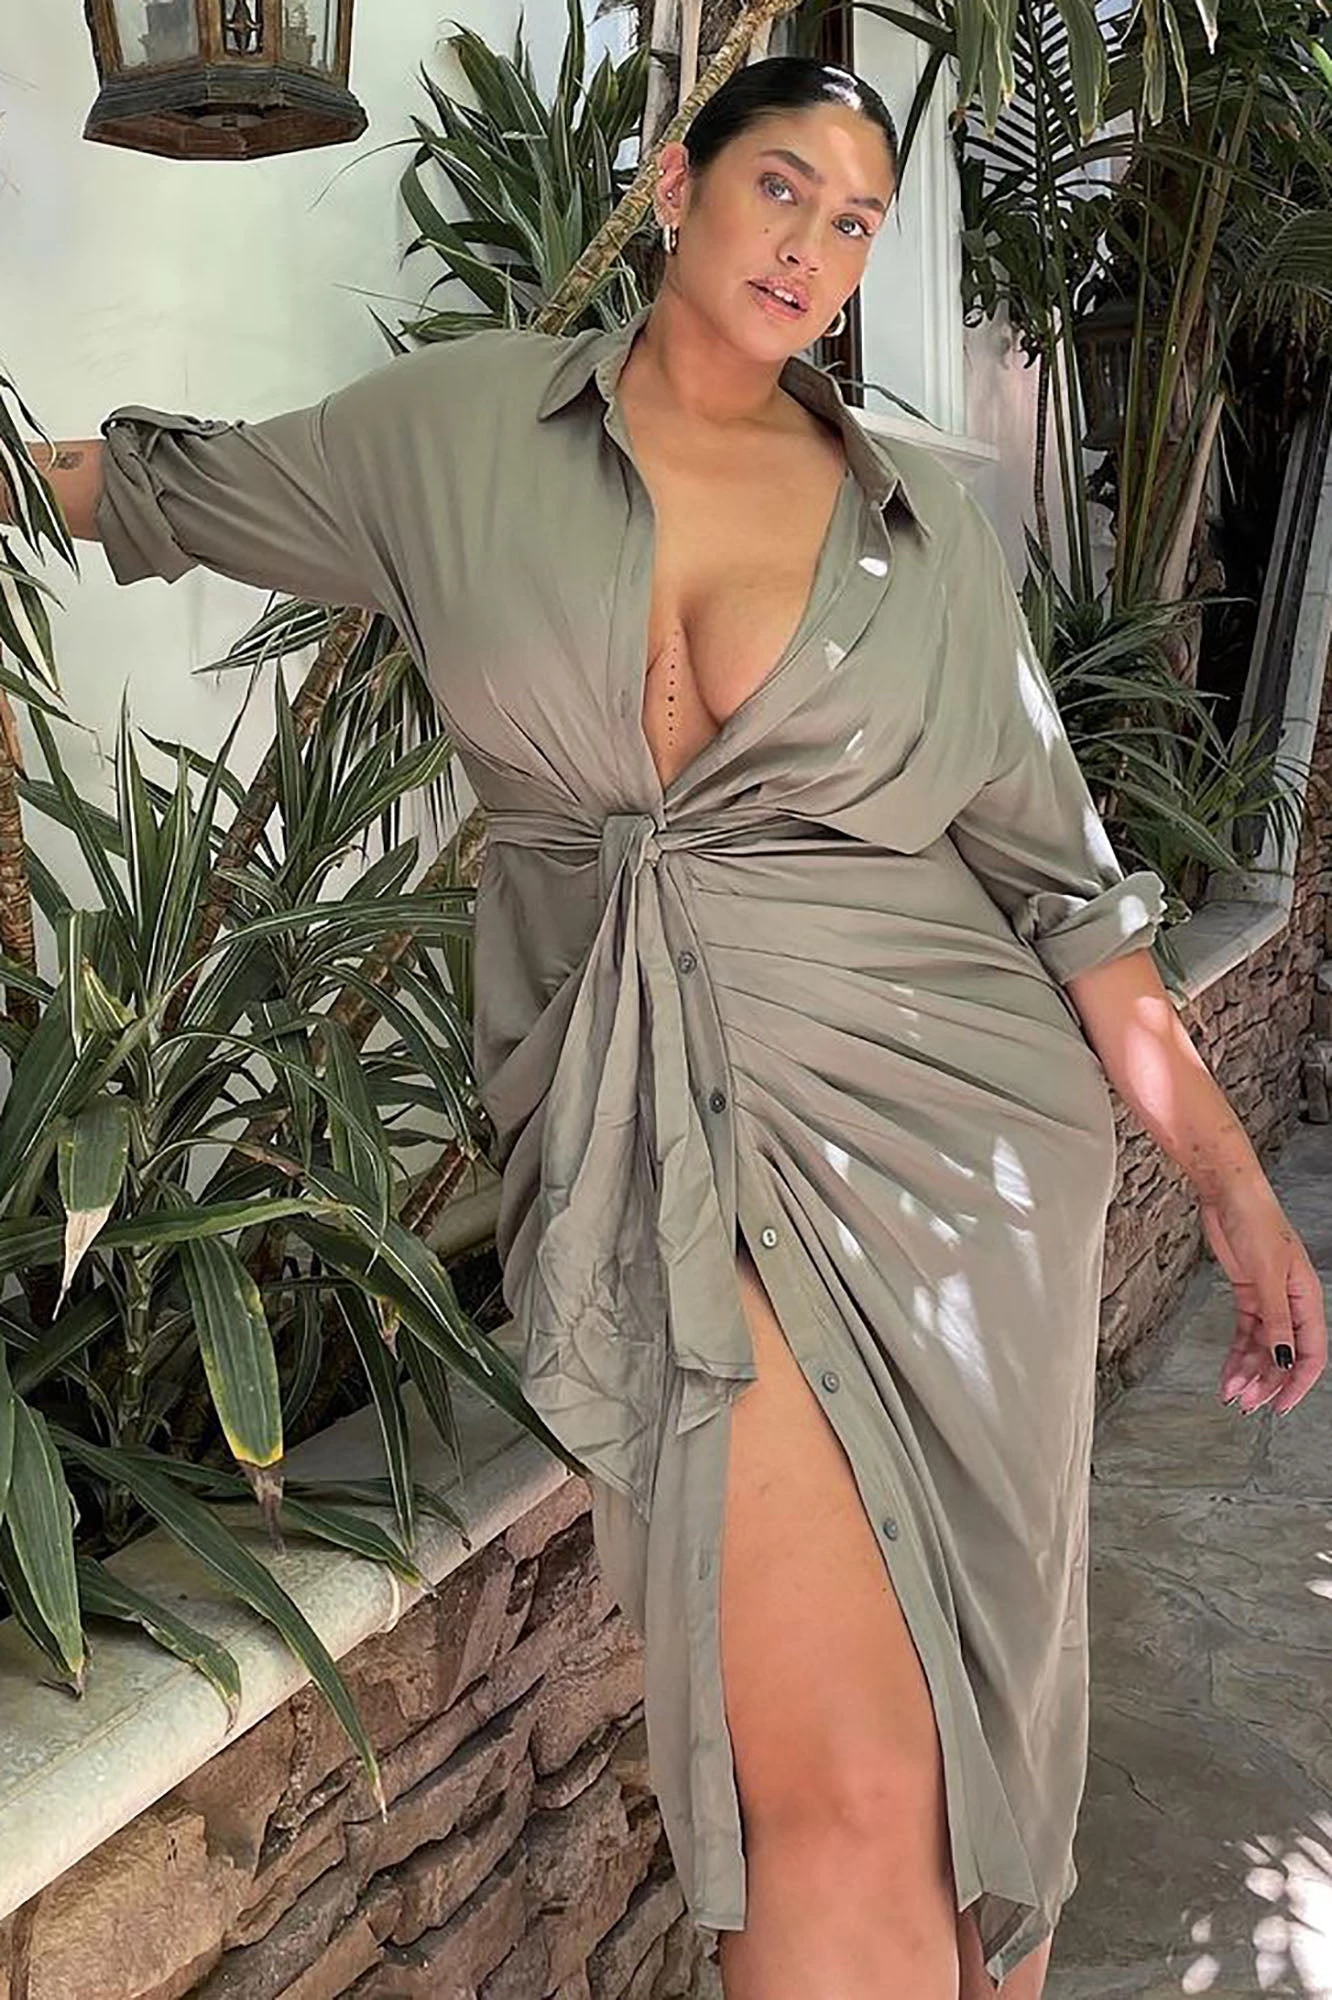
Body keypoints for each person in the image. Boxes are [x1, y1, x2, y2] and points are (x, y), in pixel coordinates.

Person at [7, 53, 1325, 2000]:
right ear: (673, 181)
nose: (814, 248)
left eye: (857, 223)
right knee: (841, 1795)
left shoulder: (920, 533)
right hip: (651, 1138)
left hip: (953, 1154)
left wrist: (1226, 1181)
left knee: (945, 1782)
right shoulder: (461, 432)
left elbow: (1066, 890)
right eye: (781, 188)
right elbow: (158, 490)